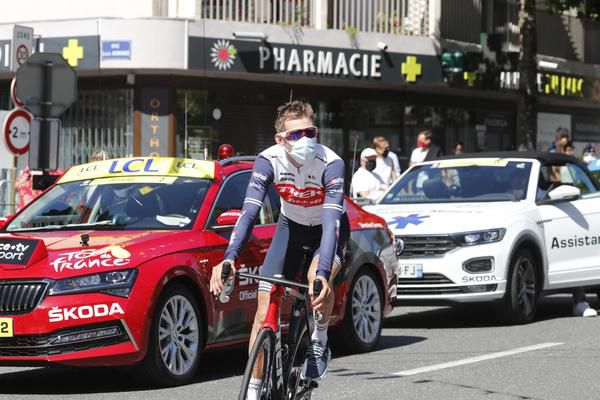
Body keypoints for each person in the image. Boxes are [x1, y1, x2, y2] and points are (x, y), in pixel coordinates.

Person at [209, 101, 350, 397]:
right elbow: (249, 212)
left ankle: (319, 341)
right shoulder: (268, 160)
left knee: (315, 282)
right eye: (296, 135)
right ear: (280, 140)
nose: (305, 140)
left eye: (310, 132)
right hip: (291, 229)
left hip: (328, 230)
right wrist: (229, 258)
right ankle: (254, 389)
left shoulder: (331, 163)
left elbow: (331, 224)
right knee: (263, 311)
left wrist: (323, 273)